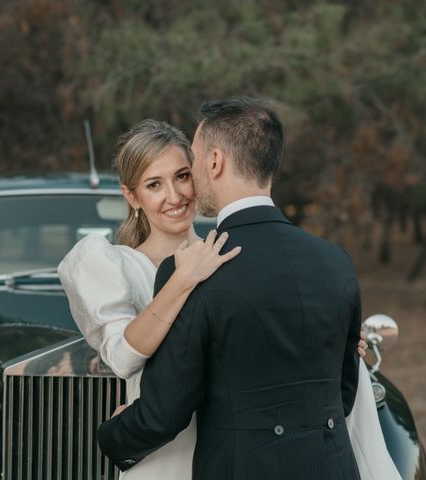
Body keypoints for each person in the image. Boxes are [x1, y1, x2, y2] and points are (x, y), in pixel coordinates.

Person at [95, 97, 401, 479]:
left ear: (215, 162)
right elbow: (342, 391)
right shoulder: (335, 261)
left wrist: (111, 437)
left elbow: (164, 413)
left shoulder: (193, 269)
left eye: (194, 156)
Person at [58, 119, 241, 478]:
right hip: (160, 457)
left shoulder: (224, 251)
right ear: (132, 196)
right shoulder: (116, 265)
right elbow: (123, 358)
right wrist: (182, 278)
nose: (174, 197)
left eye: (182, 176)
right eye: (154, 184)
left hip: (227, 448)